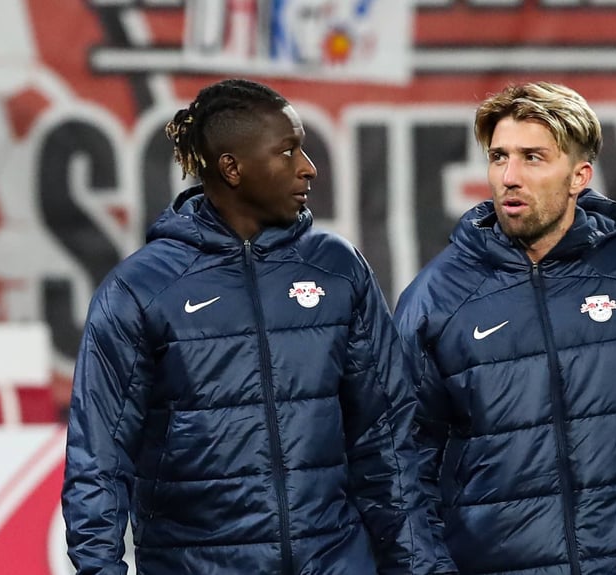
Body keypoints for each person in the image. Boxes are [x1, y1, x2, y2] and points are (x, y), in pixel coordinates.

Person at [62, 78, 456, 574]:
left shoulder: (337, 269)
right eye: (288, 151)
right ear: (232, 168)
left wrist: (419, 568)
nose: (308, 168)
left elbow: (387, 442)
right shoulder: (139, 291)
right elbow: (98, 461)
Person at [394, 81, 616, 574]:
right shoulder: (436, 298)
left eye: (532, 157)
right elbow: (401, 462)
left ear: (579, 175)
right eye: (498, 157)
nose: (509, 176)